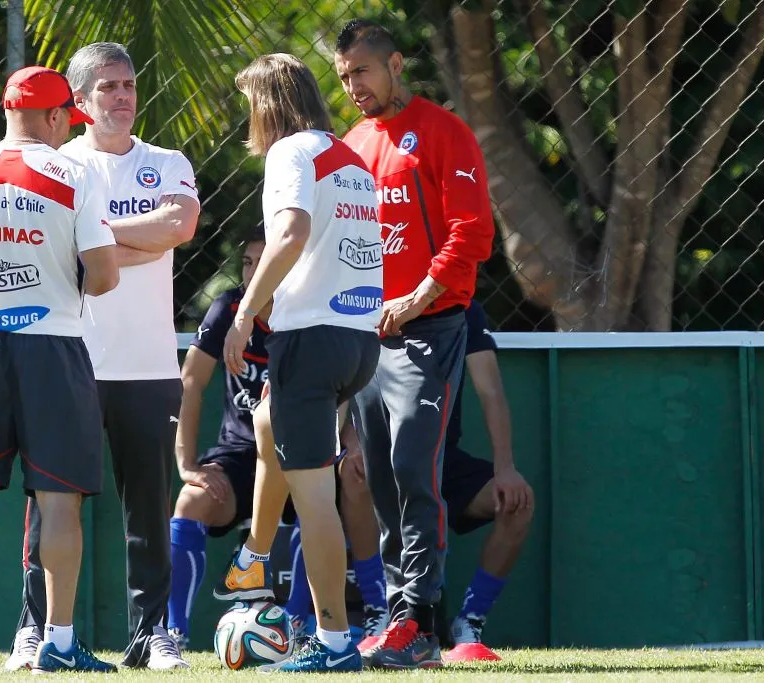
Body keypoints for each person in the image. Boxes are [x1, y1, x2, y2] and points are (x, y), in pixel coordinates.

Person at [3, 43, 199, 672]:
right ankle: (34, 632)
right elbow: (63, 252)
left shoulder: (168, 162)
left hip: (147, 368)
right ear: (79, 104)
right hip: (69, 362)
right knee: (50, 503)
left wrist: (97, 239)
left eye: (130, 85)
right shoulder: (57, 168)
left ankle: (154, 635)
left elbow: (179, 228)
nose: (123, 97)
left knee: (149, 507)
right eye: (109, 87)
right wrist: (134, 238)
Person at [0, 65, 119, 674]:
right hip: (53, 346)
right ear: (59, 116)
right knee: (60, 502)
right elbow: (106, 273)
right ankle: (58, 644)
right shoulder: (73, 174)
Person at [334, 19, 497, 669]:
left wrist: (414, 299)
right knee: (378, 473)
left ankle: (420, 622)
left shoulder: (443, 131)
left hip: (430, 325)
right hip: (368, 332)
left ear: (396, 64)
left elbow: (472, 233)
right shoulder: (350, 145)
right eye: (344, 77)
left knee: (412, 464)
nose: (353, 87)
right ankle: (397, 618)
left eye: (363, 73)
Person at [213, 53, 382, 673]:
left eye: (250, 106)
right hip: (358, 340)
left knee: (314, 498)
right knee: (267, 423)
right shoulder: (351, 159)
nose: (248, 121)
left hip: (310, 340)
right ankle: (255, 557)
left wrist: (243, 313)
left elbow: (289, 234)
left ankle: (336, 642)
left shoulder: (291, 153)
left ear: (269, 105)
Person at [165, 233, 389, 648]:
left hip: (301, 447)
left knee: (321, 496)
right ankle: (174, 633)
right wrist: (187, 464)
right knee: (190, 501)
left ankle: (303, 625)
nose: (253, 272)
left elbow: (347, 389)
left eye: (261, 262)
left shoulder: (309, 312)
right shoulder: (229, 308)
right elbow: (191, 383)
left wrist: (352, 445)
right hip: (240, 453)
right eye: (247, 263)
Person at [430, 299, 534, 662]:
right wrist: (350, 442)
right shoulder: (368, 293)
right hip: (382, 458)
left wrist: (506, 468)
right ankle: (380, 617)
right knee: (354, 482)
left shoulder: (463, 307)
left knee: (517, 502)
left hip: (442, 458)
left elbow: (490, 391)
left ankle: (469, 623)